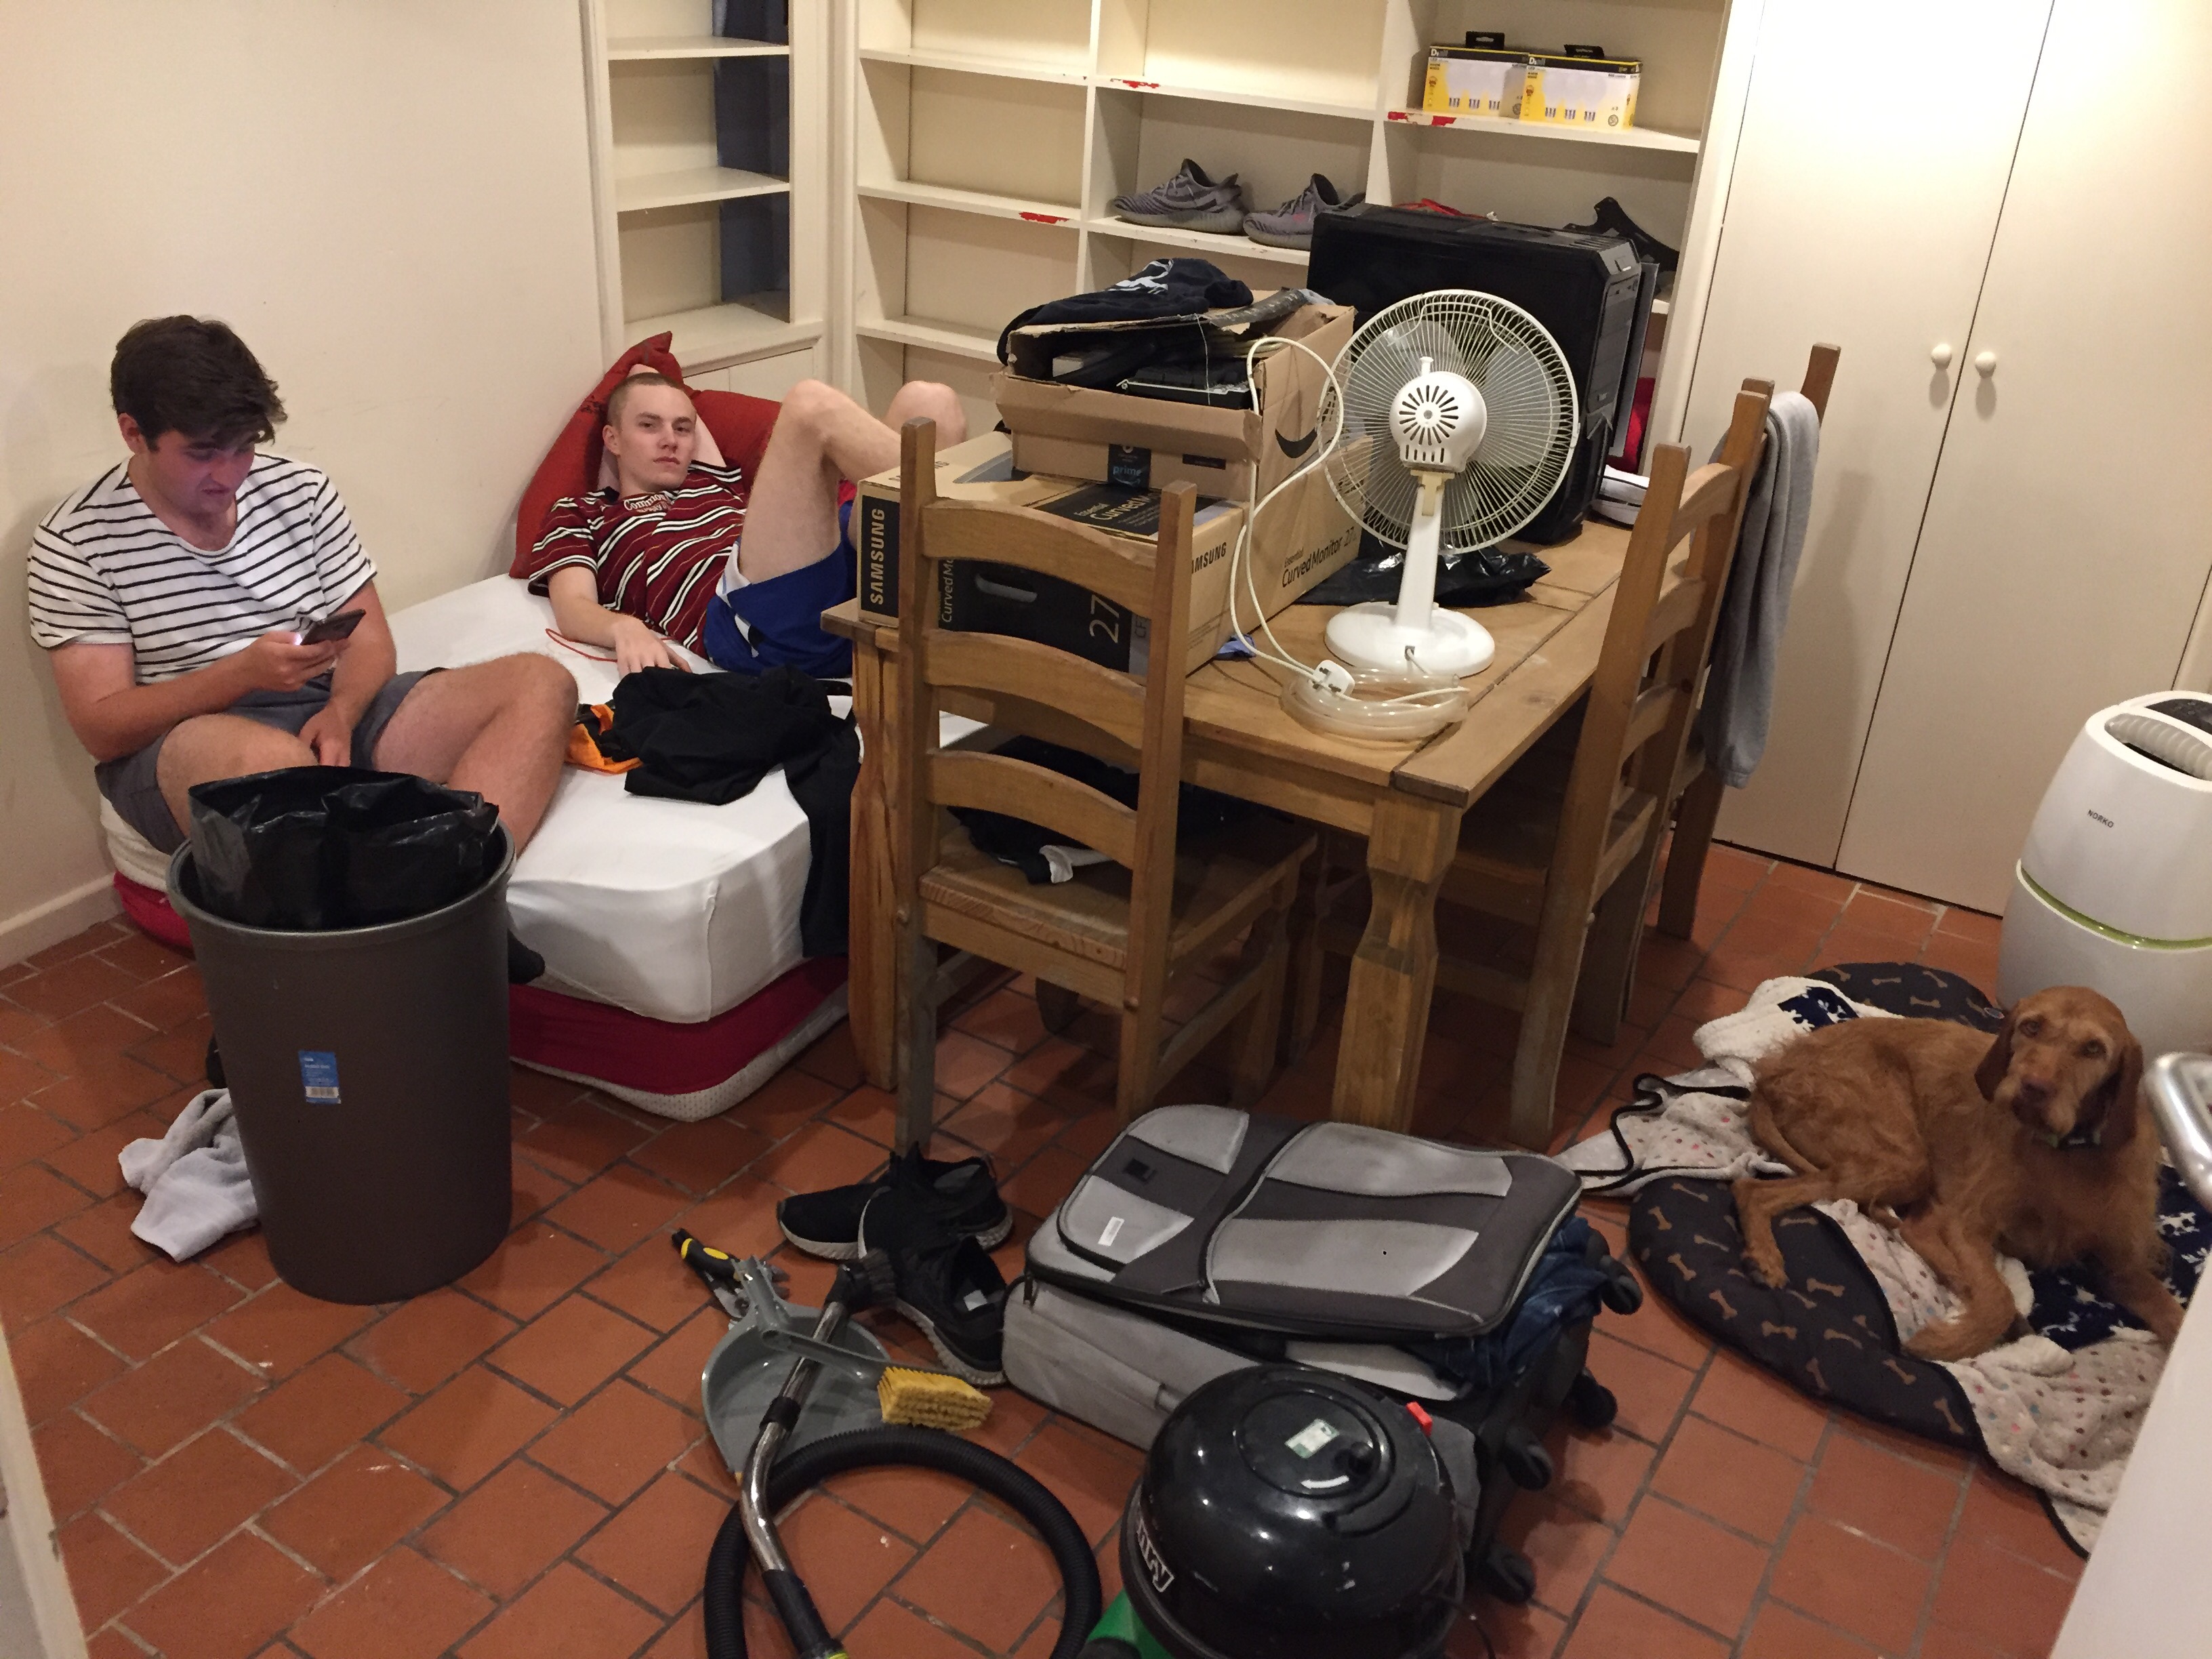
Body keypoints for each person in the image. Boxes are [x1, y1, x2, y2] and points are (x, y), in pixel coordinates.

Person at [28, 316, 577, 863]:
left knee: (541, 683)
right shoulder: (77, 539)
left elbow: (369, 641)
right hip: (186, 742)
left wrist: (342, 711)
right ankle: (377, 893)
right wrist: (239, 675)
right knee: (273, 767)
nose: (229, 474)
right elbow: (102, 730)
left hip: (321, 711)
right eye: (202, 453)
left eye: (243, 447)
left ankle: (460, 879)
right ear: (133, 433)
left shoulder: (301, 490)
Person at [521, 371, 968, 678]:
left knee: (930, 400)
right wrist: (624, 628)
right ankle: (970, 525)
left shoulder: (712, 476)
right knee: (809, 405)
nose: (670, 440)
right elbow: (573, 605)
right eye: (648, 426)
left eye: (683, 428)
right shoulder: (584, 512)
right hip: (745, 618)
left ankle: (957, 525)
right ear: (612, 438)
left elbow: (655, 377)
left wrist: (662, 410)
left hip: (825, 574)